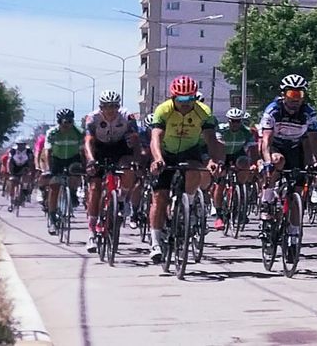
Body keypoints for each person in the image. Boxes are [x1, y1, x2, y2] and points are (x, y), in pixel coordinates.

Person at [149, 75, 224, 262]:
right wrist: (158, 159)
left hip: (190, 150)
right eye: (181, 99)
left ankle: (188, 206)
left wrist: (213, 160)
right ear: (173, 97)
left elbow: (210, 139)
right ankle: (155, 242)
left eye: (189, 98)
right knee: (159, 197)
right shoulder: (163, 110)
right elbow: (156, 137)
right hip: (166, 151)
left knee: (194, 170)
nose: (185, 103)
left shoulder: (203, 111)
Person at [259, 74, 317, 244]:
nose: (295, 99)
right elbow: (266, 141)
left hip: (295, 148)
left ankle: (294, 233)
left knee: (297, 194)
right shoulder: (273, 110)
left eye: (299, 94)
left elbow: (314, 141)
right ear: (283, 94)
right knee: (278, 161)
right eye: (291, 94)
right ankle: (267, 198)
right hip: (276, 146)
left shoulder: (308, 113)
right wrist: (267, 162)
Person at [83, 90, 139, 253]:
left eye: (114, 106)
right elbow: (88, 141)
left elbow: (135, 139)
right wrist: (91, 160)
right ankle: (92, 232)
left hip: (119, 147)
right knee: (95, 188)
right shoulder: (92, 118)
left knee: (128, 169)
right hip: (99, 148)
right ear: (101, 108)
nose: (111, 110)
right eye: (107, 107)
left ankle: (121, 199)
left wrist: (136, 159)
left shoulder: (127, 116)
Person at [214, 107, 257, 230]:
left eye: (238, 121)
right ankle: (219, 215)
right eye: (233, 121)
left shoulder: (246, 131)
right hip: (223, 153)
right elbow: (218, 145)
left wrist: (254, 163)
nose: (235, 123)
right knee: (221, 182)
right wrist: (220, 162)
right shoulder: (222, 129)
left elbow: (253, 149)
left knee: (245, 164)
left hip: (238, 154)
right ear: (228, 120)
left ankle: (240, 193)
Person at [44, 109, 84, 236]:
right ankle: (52, 218)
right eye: (64, 122)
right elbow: (47, 152)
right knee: (54, 186)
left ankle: (73, 192)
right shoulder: (52, 133)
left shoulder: (79, 132)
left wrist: (84, 166)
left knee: (76, 174)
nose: (67, 125)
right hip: (57, 159)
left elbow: (83, 151)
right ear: (59, 122)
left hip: (73, 158)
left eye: (70, 122)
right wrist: (49, 169)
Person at [7, 138, 36, 212]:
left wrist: (30, 171)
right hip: (14, 167)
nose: (21, 147)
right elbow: (9, 161)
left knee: (25, 180)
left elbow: (31, 162)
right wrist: (9, 171)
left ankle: (24, 192)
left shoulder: (29, 151)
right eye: (19, 145)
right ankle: (10, 202)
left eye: (23, 145)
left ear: (25, 145)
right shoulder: (12, 151)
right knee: (12, 182)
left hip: (24, 166)